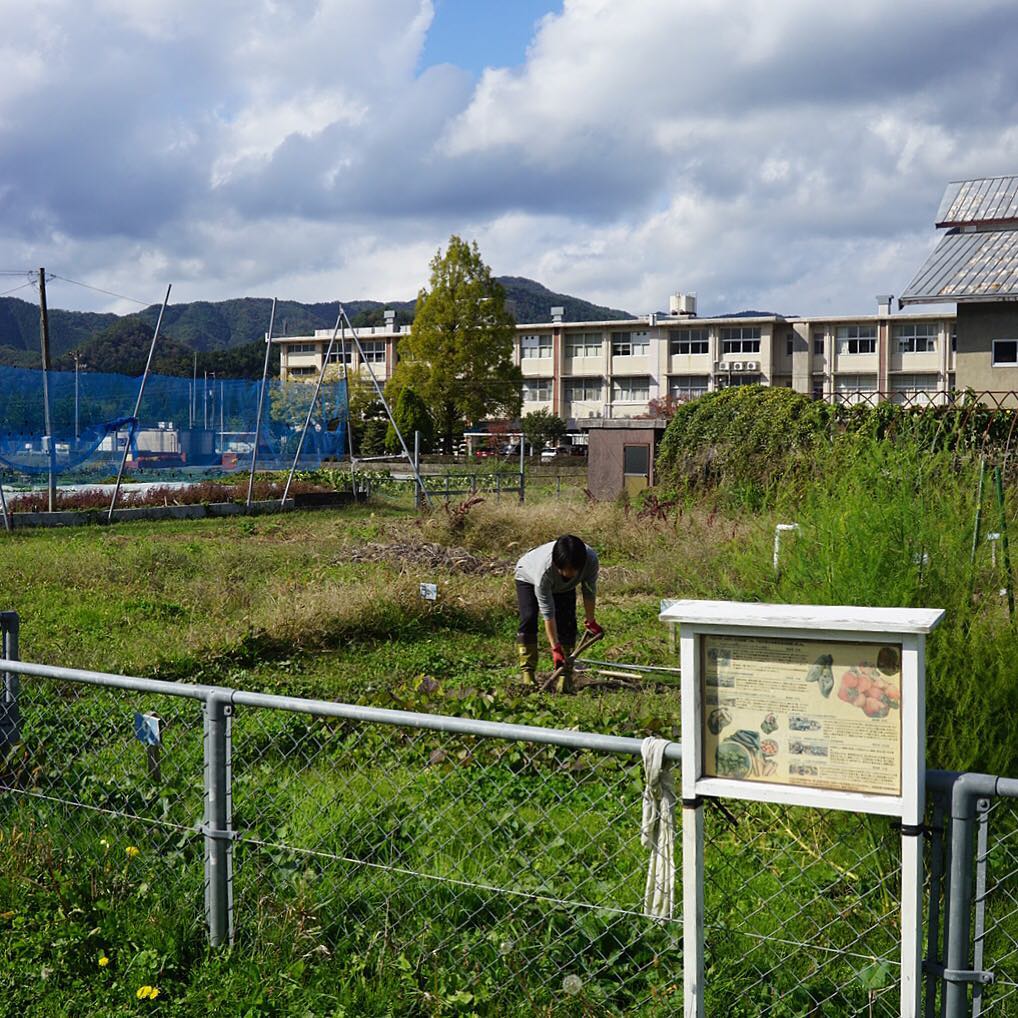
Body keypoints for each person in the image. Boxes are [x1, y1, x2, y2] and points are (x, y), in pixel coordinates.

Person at [514, 534, 602, 690]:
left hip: (563, 587)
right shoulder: (544, 572)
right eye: (565, 570)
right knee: (528, 618)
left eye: (574, 570)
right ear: (557, 564)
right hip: (528, 577)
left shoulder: (590, 561)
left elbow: (589, 591)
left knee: (567, 623)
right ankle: (528, 673)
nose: (569, 574)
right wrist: (555, 648)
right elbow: (548, 612)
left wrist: (591, 621)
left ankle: (564, 676)